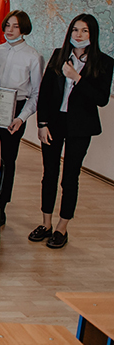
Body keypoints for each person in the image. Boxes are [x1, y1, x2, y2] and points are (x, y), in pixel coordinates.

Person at [32, 14, 113, 249]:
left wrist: (77, 78)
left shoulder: (104, 62)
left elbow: (101, 99)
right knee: (49, 173)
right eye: (75, 30)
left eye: (84, 31)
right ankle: (46, 223)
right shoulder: (59, 55)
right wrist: (42, 124)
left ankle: (62, 227)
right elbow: (45, 92)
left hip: (80, 126)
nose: (78, 35)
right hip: (54, 122)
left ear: (92, 34)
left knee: (70, 177)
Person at [0, 10, 44, 224]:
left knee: (7, 160)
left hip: (15, 111)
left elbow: (36, 93)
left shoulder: (33, 57)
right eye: (7, 25)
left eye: (15, 26)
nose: (10, 30)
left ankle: (1, 206)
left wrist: (22, 118)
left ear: (24, 28)